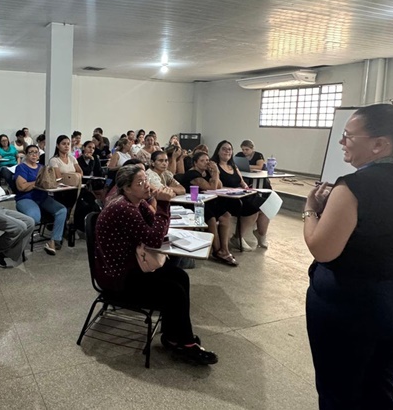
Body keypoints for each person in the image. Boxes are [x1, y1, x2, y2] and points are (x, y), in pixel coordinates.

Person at [303, 104, 393, 409]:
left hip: (354, 308)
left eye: (349, 136)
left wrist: (311, 209)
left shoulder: (353, 186)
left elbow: (322, 248)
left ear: (379, 144)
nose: (342, 142)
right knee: (378, 391)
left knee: (338, 394)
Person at [94, 165, 218, 365]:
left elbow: (157, 227)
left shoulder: (137, 202)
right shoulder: (123, 207)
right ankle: (186, 344)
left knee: (180, 276)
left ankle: (172, 336)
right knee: (174, 291)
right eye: (140, 183)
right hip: (119, 276)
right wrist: (162, 204)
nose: (147, 185)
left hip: (133, 265)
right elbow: (154, 239)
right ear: (126, 188)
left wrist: (158, 204)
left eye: (146, 180)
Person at [177, 151, 235, 266]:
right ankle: (218, 250)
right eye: (202, 161)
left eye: (207, 160)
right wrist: (216, 173)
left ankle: (225, 248)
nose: (206, 163)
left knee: (226, 215)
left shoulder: (206, 173)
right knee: (211, 218)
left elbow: (219, 186)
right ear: (195, 163)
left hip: (207, 202)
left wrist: (214, 172)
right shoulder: (192, 174)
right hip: (192, 204)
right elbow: (211, 188)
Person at [212, 140, 266, 251]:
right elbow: (216, 186)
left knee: (262, 203)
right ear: (218, 151)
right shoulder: (214, 166)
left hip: (239, 195)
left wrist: (247, 189)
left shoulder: (233, 166)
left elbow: (242, 182)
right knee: (253, 206)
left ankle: (252, 235)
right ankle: (238, 238)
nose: (227, 151)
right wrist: (233, 190)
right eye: (224, 149)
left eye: (229, 149)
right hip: (224, 198)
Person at [13, 145, 66, 255]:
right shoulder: (21, 167)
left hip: (42, 197)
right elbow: (21, 187)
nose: (34, 154)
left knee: (62, 210)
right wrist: (38, 182)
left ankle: (54, 241)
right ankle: (18, 240)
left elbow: (48, 182)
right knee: (35, 218)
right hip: (25, 198)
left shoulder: (42, 167)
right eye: (31, 152)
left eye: (36, 152)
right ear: (26, 155)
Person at [236, 139, 272, 247]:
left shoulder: (258, 155)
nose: (244, 151)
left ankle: (262, 235)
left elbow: (260, 167)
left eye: (247, 149)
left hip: (260, 182)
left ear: (252, 149)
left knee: (266, 208)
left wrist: (247, 167)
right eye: (243, 149)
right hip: (247, 181)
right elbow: (235, 165)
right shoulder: (239, 155)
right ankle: (239, 237)